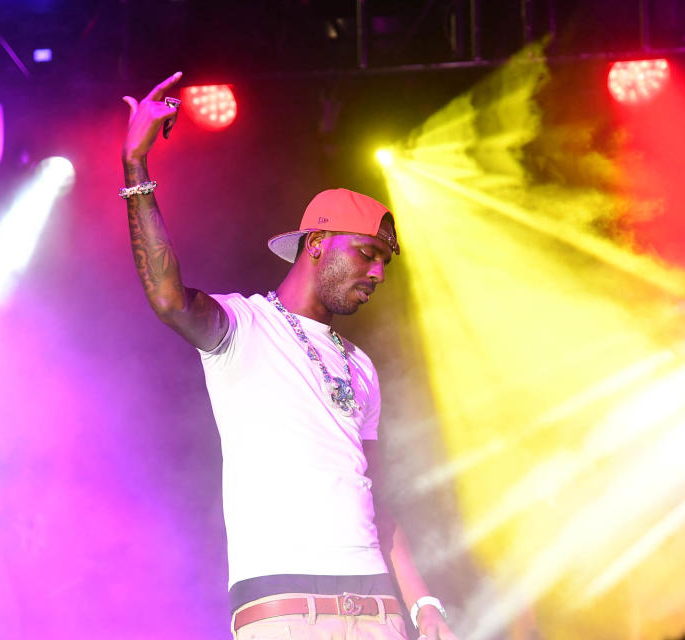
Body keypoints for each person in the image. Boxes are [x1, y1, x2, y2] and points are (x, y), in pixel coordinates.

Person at [120, 72, 458, 640]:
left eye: (385, 262)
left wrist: (424, 604)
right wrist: (136, 165)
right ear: (319, 242)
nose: (378, 272)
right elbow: (168, 297)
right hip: (285, 609)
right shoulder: (244, 327)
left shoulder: (362, 367)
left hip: (381, 612)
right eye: (369, 254)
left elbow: (378, 500)